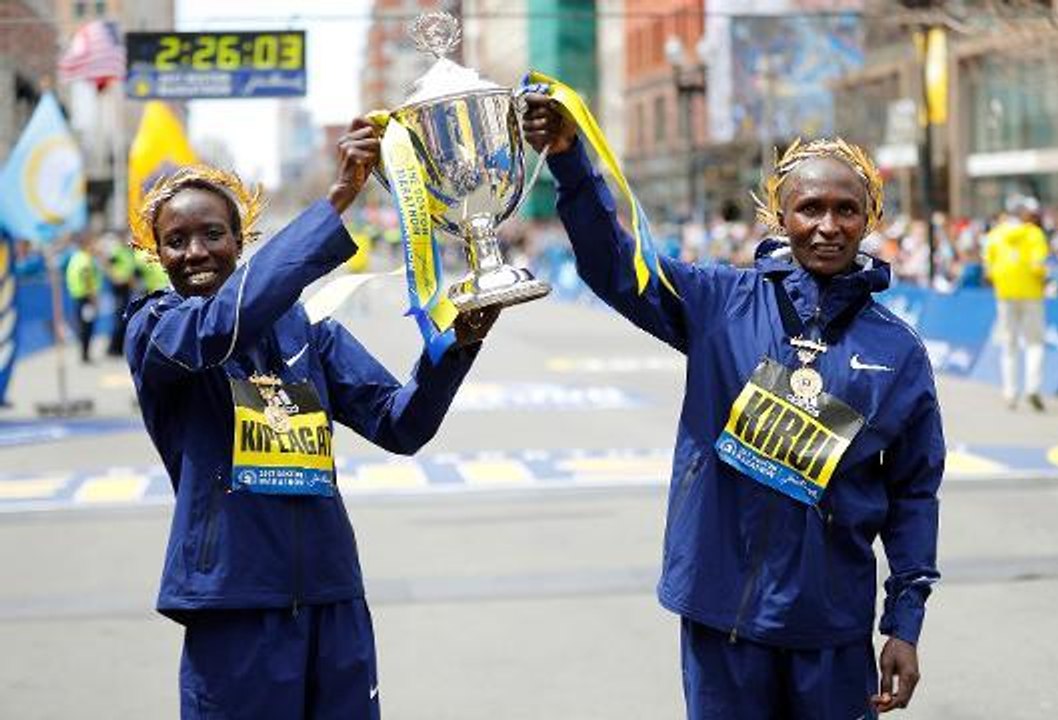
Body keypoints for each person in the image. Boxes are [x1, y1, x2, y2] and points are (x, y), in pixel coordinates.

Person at [523, 96, 944, 719]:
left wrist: (904, 623)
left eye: (846, 210)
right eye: (810, 209)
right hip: (723, 617)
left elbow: (913, 494)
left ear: (870, 217)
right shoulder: (717, 301)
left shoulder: (898, 350)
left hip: (831, 628)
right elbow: (613, 266)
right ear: (779, 215)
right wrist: (568, 159)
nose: (828, 226)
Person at [124, 117, 498, 720]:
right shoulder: (158, 330)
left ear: (241, 240)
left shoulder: (308, 333)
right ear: (156, 251)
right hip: (234, 604)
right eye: (177, 240)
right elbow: (219, 329)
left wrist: (457, 346)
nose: (195, 252)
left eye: (212, 233)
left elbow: (399, 424)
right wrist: (336, 203)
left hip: (331, 596)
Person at [984, 195, 1049, 411]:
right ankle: (1033, 388)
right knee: (1034, 343)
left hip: (1005, 294)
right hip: (1031, 294)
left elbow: (989, 269)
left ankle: (1010, 393)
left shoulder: (996, 234)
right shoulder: (1035, 234)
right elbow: (1038, 266)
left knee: (1009, 344)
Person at [64, 232, 102, 363]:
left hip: (78, 297)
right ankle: (85, 355)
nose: (95, 246)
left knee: (83, 326)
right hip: (86, 299)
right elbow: (87, 278)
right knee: (87, 327)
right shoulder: (85, 259)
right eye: (92, 243)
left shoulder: (75, 257)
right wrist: (93, 298)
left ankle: (84, 354)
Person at [104, 232, 136, 356]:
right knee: (118, 319)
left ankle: (119, 348)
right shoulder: (116, 251)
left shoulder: (128, 253)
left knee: (124, 317)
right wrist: (115, 278)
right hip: (119, 288)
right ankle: (112, 349)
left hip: (127, 288)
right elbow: (108, 265)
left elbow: (130, 269)